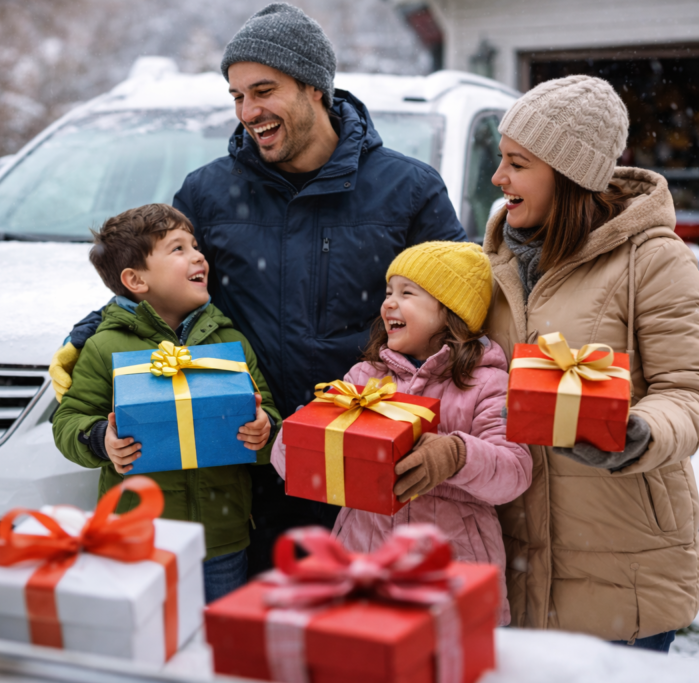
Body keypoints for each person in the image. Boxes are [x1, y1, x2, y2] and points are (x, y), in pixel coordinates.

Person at [50, 3, 467, 573]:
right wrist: (89, 332)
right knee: (252, 642)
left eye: (263, 90)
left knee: (355, 637)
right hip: (246, 460)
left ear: (314, 87)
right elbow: (161, 281)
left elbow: (462, 312)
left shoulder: (407, 189)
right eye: (237, 95)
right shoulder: (209, 193)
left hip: (363, 456)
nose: (248, 111)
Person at [483, 74, 699, 651]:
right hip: (512, 553)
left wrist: (643, 432)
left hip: (621, 557)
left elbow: (687, 391)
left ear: (567, 173)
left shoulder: (653, 260)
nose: (498, 178)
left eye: (517, 163)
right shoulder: (494, 259)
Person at [269, 241, 532, 624]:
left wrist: (456, 454)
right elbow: (291, 468)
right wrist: (300, 435)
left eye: (407, 293)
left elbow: (515, 472)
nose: (388, 303)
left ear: (450, 312)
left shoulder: (487, 383)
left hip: (452, 571)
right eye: (388, 292)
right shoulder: (365, 377)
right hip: (364, 561)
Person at [51, 204, 281, 603]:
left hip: (222, 539)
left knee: (216, 648)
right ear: (135, 279)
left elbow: (270, 413)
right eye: (178, 249)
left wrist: (264, 430)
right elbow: (69, 420)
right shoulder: (105, 346)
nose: (198, 255)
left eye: (195, 245)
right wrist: (100, 439)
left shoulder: (229, 342)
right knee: (147, 641)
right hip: (137, 538)